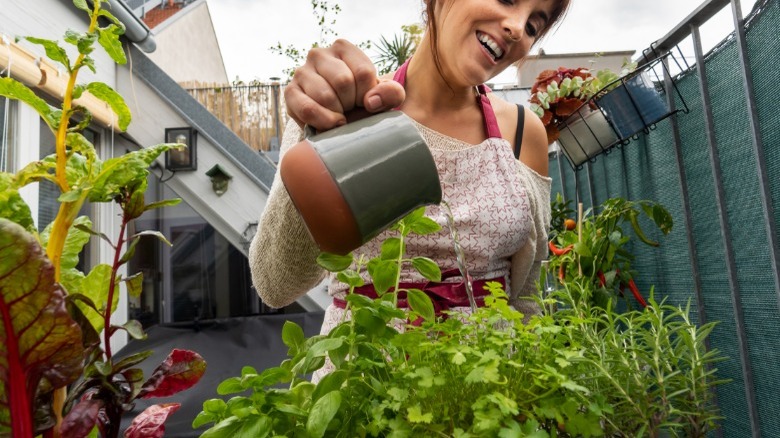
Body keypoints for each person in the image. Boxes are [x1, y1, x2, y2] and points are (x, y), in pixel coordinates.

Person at [249, 0, 571, 341]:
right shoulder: (351, 112)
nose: (518, 28)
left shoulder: (524, 131)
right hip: (363, 378)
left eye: (534, 26)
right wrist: (316, 133)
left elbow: (525, 299)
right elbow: (276, 285)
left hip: (491, 381)